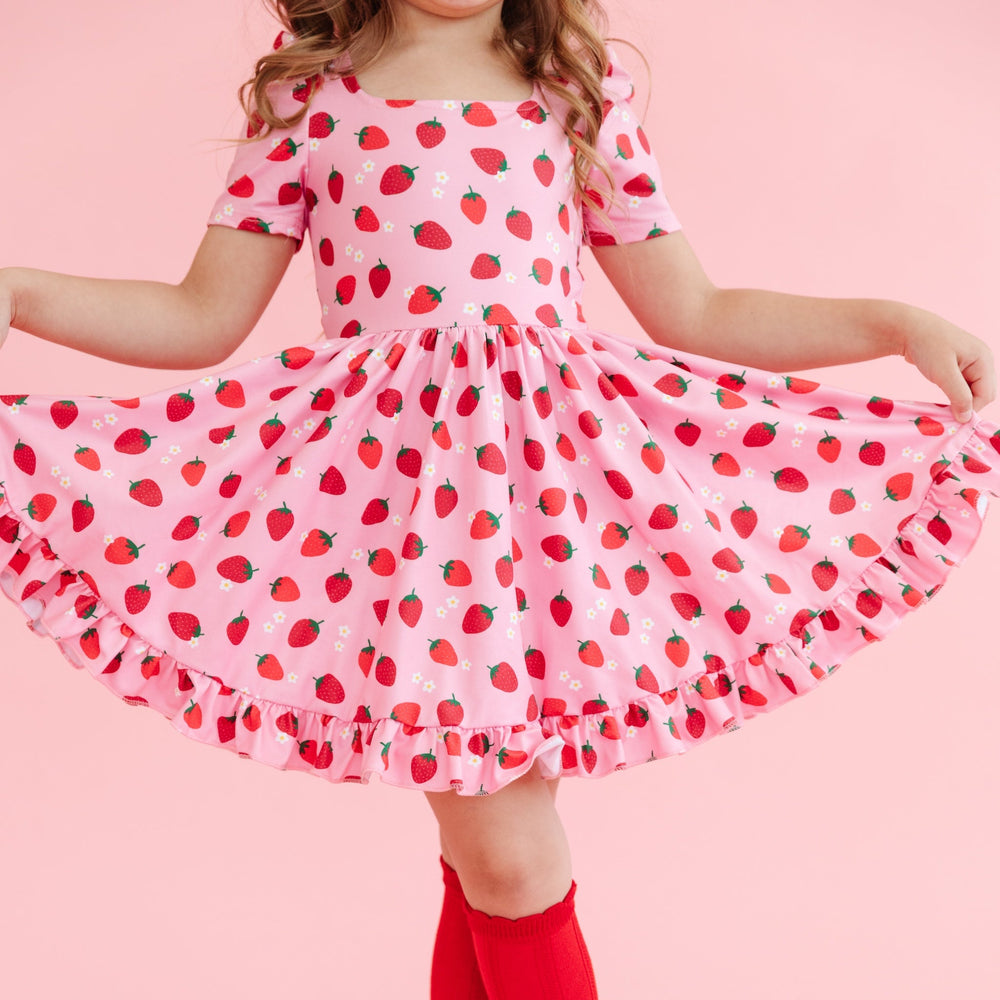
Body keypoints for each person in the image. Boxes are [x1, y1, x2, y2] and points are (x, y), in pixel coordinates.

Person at [1, 1, 997, 997]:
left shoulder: (571, 82)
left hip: (547, 512)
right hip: (405, 514)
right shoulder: (312, 92)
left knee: (490, 859)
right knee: (508, 858)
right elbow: (199, 317)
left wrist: (893, 324)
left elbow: (694, 307)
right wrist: (21, 293)